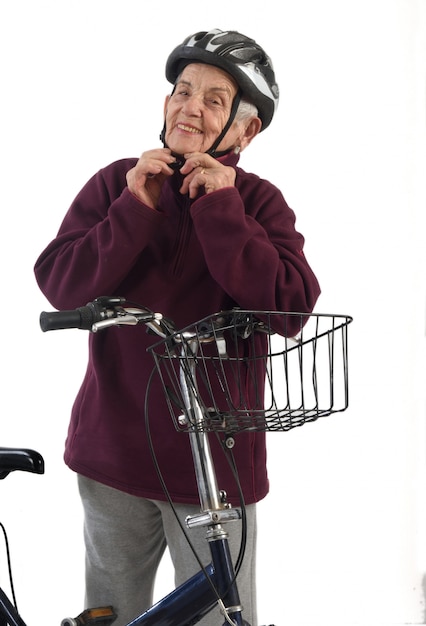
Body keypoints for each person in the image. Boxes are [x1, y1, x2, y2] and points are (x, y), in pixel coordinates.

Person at [34, 28, 321, 626]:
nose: (189, 106)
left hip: (216, 461)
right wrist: (134, 208)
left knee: (217, 616)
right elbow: (60, 282)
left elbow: (291, 308)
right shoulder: (119, 182)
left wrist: (222, 207)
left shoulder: (259, 203)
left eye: (214, 100)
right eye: (181, 90)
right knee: (108, 616)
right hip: (112, 453)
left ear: (247, 130)